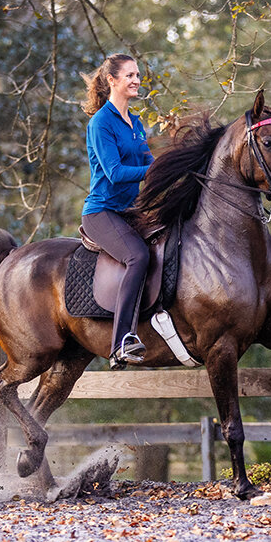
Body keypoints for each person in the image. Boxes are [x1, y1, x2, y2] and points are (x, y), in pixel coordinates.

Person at [81, 53, 154, 370]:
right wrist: (154, 170)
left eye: (138, 75)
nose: (137, 80)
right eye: (130, 75)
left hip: (131, 209)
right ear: (112, 80)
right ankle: (122, 341)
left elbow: (150, 163)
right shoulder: (101, 123)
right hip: (102, 211)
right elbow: (114, 172)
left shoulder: (135, 123)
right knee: (138, 256)